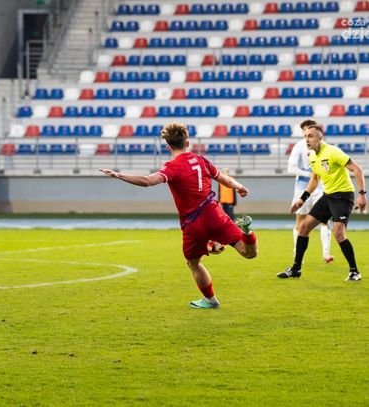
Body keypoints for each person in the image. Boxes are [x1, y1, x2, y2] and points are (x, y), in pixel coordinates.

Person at [100, 122, 258, 309]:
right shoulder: (202, 161)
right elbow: (224, 179)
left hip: (193, 223)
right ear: (187, 143)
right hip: (214, 213)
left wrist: (118, 175)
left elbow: (147, 181)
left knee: (193, 263)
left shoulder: (171, 167)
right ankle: (247, 231)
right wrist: (240, 187)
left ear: (168, 147)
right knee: (249, 253)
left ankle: (210, 300)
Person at [278, 123, 366, 281]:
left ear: (320, 138)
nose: (307, 139)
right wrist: (302, 199)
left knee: (338, 233)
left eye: (310, 136)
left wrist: (362, 195)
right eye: (305, 136)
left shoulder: (333, 152)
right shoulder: (312, 156)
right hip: (328, 196)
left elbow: (357, 169)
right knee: (304, 227)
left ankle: (354, 272)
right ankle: (296, 269)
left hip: (343, 197)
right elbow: (315, 178)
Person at [288, 119, 334, 263]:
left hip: (320, 187)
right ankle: (297, 253)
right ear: (302, 131)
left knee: (325, 219)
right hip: (302, 187)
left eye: (310, 129)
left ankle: (326, 253)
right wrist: (310, 174)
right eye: (305, 130)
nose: (307, 133)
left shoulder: (324, 147)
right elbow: (291, 168)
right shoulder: (298, 146)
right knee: (300, 221)